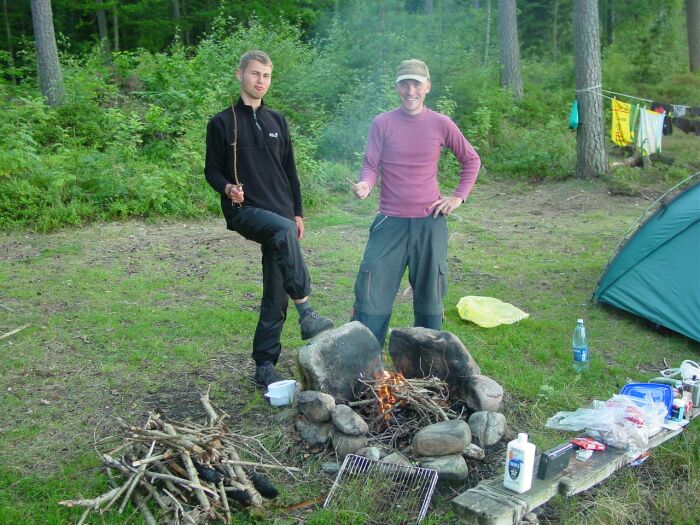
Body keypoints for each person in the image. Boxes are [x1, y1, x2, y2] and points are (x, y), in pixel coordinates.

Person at [205, 50, 333, 388]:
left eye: (266, 76)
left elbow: (290, 171)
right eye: (255, 74)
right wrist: (228, 186)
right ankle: (307, 311)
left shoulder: (278, 121)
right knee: (281, 232)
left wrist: (297, 213)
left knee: (276, 291)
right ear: (240, 75)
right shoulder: (223, 122)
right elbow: (211, 170)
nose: (260, 81)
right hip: (245, 211)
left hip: (282, 216)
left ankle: (264, 364)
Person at [351, 58, 481, 347]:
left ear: (427, 87)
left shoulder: (441, 123)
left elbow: (471, 160)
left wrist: (458, 197)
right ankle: (364, 360)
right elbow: (370, 165)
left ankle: (426, 364)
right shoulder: (382, 123)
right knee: (372, 291)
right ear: (397, 87)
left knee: (430, 296)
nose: (410, 90)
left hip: (429, 223)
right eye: (404, 84)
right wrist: (365, 184)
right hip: (389, 222)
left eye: (416, 84)